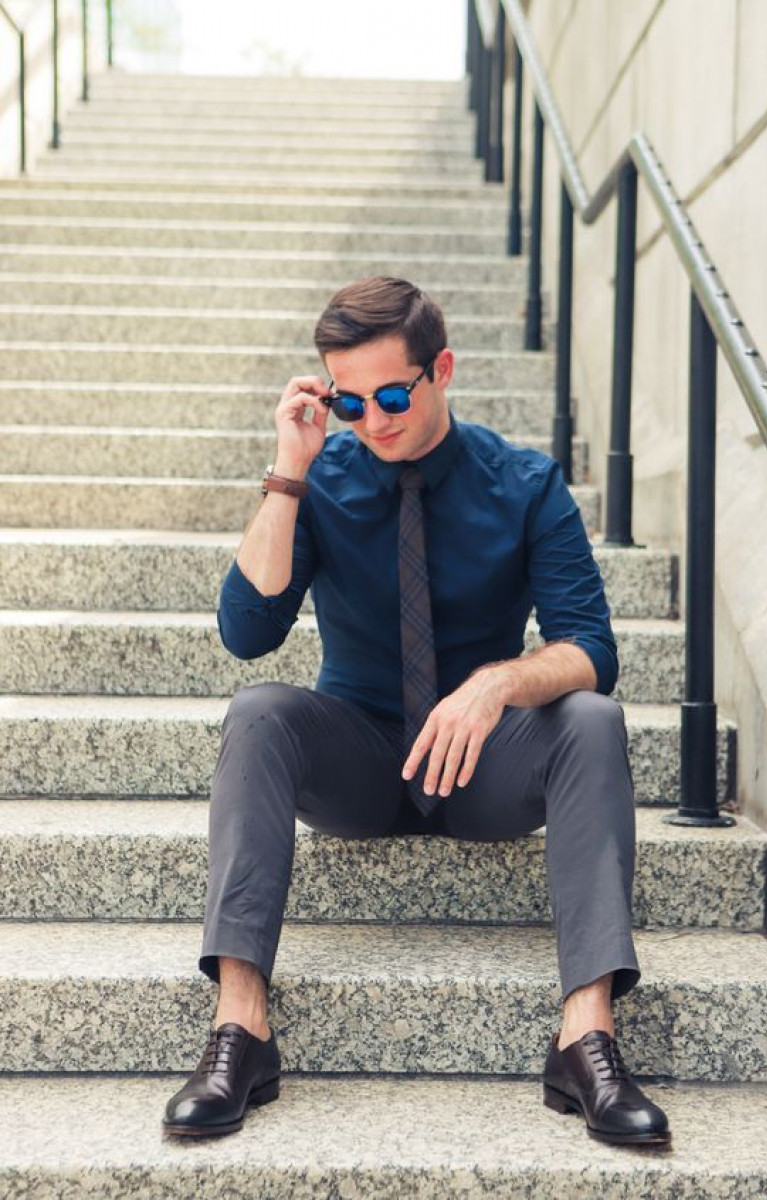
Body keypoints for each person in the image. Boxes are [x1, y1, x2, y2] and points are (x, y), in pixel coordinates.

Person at [162, 276, 671, 1147]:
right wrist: (289, 470)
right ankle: (241, 1028)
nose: (374, 419)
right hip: (358, 758)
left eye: (393, 395)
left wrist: (497, 684)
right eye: (350, 401)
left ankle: (586, 1039)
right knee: (258, 709)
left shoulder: (524, 483)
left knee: (590, 719)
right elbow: (248, 631)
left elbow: (594, 648)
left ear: (442, 369)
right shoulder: (325, 477)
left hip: (483, 767)